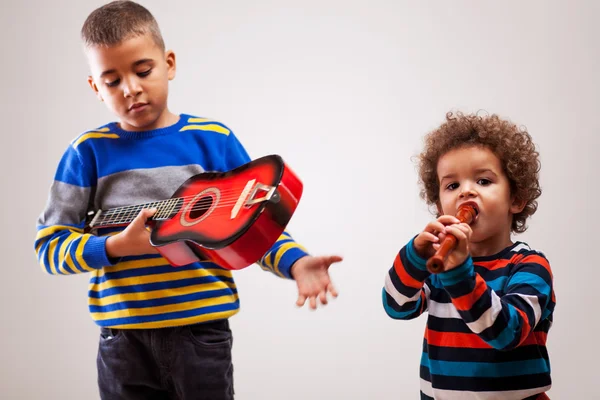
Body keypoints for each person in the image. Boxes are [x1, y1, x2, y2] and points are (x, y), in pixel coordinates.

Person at [34, 1, 342, 399]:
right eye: (111, 81)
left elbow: (252, 223)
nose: (131, 88)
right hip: (123, 342)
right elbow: (49, 246)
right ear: (95, 87)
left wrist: (296, 262)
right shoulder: (87, 153)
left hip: (202, 336)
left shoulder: (213, 139)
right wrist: (114, 246)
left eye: (143, 70)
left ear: (170, 63)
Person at [382, 111, 555, 399]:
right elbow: (396, 306)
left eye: (483, 181)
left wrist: (459, 274)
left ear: (516, 198)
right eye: (452, 185)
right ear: (439, 206)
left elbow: (506, 333)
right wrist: (415, 257)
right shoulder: (440, 267)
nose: (466, 192)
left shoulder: (529, 266)